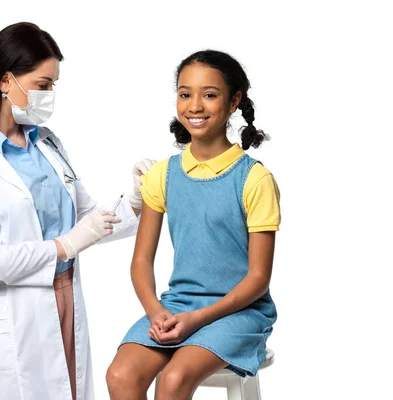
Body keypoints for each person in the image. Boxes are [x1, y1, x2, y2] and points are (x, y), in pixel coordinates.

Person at [0, 22, 154, 400]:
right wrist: (63, 246)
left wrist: (135, 199)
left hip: (65, 299)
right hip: (10, 312)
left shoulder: (47, 143)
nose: (49, 95)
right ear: (5, 81)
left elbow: (89, 220)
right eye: (42, 85)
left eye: (53, 85)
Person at [106, 50, 281, 399]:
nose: (195, 106)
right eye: (185, 94)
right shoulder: (161, 175)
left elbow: (259, 278)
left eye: (210, 94)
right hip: (177, 306)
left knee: (173, 380)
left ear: (234, 102)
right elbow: (141, 260)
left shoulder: (254, 179)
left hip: (239, 312)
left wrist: (199, 319)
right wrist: (156, 312)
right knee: (121, 375)